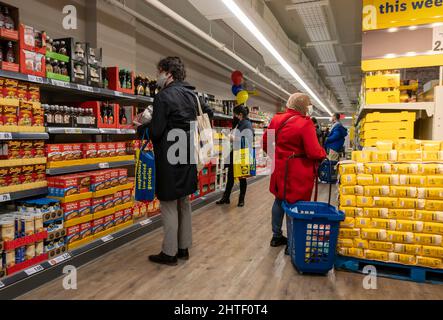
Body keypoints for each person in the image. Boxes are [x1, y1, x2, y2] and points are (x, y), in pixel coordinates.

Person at [142, 56, 204, 266]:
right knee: (184, 202)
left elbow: (157, 131)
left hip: (169, 157)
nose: (156, 76)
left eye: (158, 71)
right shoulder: (191, 95)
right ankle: (183, 248)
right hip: (186, 154)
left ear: (168, 73)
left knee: (168, 204)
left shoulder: (163, 97)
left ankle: (169, 253)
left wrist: (142, 127)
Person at [263, 93, 326, 250]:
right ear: (304, 106)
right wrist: (323, 154)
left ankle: (276, 236)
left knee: (279, 199)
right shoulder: (305, 123)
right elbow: (313, 151)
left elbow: (266, 143)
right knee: (295, 205)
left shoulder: (276, 119)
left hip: (279, 168)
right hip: (298, 171)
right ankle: (292, 243)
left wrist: (278, 156)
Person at [216, 105, 254, 208]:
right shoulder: (239, 123)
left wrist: (231, 137)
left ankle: (241, 200)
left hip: (241, 154)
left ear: (240, 114)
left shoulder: (247, 124)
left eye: (235, 114)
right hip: (234, 153)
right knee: (230, 177)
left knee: (242, 177)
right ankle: (226, 197)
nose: (234, 116)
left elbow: (246, 139)